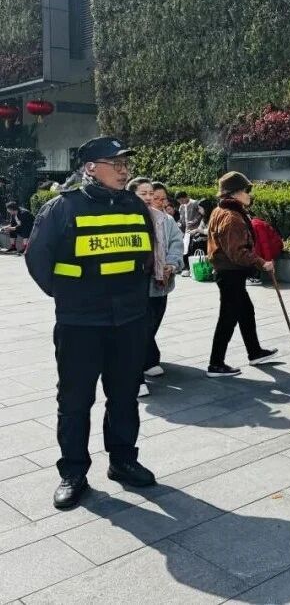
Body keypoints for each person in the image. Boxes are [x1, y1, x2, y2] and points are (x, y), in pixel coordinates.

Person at [24, 136, 157, 510]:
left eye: (126, 164)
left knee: (125, 395)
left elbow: (146, 254)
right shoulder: (62, 208)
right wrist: (71, 297)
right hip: (79, 323)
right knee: (75, 400)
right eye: (116, 164)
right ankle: (73, 473)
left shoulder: (134, 205)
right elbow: (37, 260)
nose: (124, 171)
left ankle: (123, 460)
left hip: (129, 321)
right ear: (90, 168)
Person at [207, 171, 278, 377]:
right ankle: (215, 364)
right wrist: (262, 263)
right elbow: (238, 253)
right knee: (228, 318)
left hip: (228, 271)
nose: (249, 194)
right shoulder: (231, 217)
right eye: (246, 190)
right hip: (230, 272)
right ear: (235, 193)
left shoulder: (221, 210)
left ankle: (254, 352)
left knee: (246, 311)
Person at [127, 177, 184, 394]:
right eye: (144, 194)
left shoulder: (164, 219)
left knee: (151, 324)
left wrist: (171, 263)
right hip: (132, 284)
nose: (149, 197)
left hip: (159, 282)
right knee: (137, 329)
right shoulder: (125, 218)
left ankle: (148, 360)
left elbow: (176, 243)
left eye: (151, 193)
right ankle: (134, 376)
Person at [177, 191, 203, 277]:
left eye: (182, 200)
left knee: (192, 249)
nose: (181, 202)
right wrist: (179, 223)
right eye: (179, 201)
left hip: (195, 230)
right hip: (186, 231)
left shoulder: (195, 203)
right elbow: (181, 218)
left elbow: (201, 214)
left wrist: (194, 221)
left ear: (186, 197)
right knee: (185, 250)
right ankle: (187, 268)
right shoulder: (181, 207)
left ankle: (191, 269)